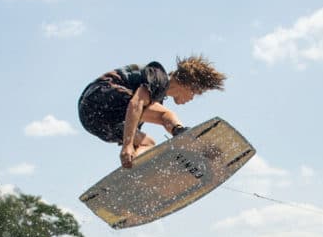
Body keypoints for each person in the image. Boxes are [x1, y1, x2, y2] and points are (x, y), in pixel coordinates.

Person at [77, 55, 226, 168]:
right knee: (165, 115)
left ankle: (134, 176)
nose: (192, 98)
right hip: (99, 97)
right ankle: (192, 141)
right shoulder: (159, 76)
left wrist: (132, 152)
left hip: (95, 121)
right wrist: (127, 145)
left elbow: (134, 116)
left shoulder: (155, 99)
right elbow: (136, 103)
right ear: (188, 84)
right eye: (195, 92)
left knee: (147, 144)